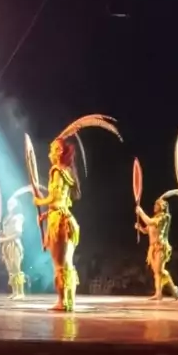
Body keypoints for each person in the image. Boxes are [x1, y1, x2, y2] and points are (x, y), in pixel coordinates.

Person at [32, 114, 122, 311]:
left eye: (53, 150)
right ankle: (69, 301)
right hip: (67, 220)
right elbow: (65, 201)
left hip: (59, 222)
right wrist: (45, 214)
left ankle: (62, 301)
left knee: (60, 265)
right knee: (68, 263)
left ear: (59, 152)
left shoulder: (57, 171)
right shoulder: (69, 173)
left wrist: (40, 201)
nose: (50, 153)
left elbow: (55, 199)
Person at [135, 197, 178, 300]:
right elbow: (147, 230)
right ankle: (164, 291)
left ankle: (166, 291)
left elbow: (149, 222)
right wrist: (140, 228)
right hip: (152, 248)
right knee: (157, 272)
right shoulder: (155, 218)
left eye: (157, 205)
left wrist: (141, 212)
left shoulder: (164, 217)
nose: (154, 206)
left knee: (159, 270)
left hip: (160, 246)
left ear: (162, 207)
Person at [0, 196, 26, 299]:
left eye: (12, 203)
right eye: (9, 203)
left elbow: (18, 234)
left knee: (16, 268)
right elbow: (5, 232)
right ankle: (14, 292)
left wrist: (4, 239)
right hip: (6, 246)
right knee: (10, 269)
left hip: (14, 244)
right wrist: (1, 234)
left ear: (16, 205)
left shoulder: (18, 217)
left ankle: (20, 293)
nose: (10, 205)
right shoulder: (6, 218)